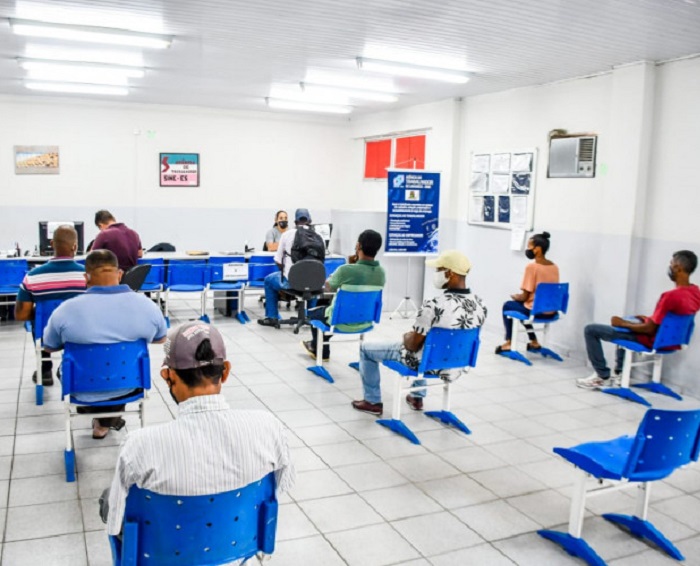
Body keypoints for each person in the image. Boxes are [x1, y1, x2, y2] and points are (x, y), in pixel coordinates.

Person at [101, 321, 294, 536]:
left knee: (108, 499)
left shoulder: (139, 445)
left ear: (168, 376)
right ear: (225, 371)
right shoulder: (270, 428)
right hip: (239, 544)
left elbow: (115, 520)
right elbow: (279, 489)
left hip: (165, 549)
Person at [43, 249, 167, 439]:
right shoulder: (147, 306)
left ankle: (100, 418)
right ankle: (106, 420)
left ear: (86, 277)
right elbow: (161, 338)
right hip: (129, 385)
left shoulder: (66, 309)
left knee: (66, 369)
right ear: (120, 274)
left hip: (80, 387)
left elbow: (49, 346)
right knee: (120, 369)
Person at [352, 250, 487, 415]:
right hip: (455, 364)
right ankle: (417, 397)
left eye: (439, 269)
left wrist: (406, 337)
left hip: (427, 363)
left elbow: (412, 345)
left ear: (450, 273)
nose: (436, 273)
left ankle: (372, 401)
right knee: (429, 347)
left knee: (366, 349)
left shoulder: (434, 305)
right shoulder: (480, 305)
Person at [577, 250, 700, 389]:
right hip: (673, 341)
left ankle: (602, 376)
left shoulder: (669, 296)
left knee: (591, 330)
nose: (669, 267)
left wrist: (623, 323)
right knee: (631, 322)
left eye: (671, 264)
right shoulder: (696, 292)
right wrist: (647, 319)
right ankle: (619, 373)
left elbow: (649, 329)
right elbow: (669, 319)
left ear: (678, 267)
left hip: (651, 340)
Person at [14, 225, 86, 386]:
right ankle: (78, 365)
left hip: (47, 334)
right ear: (75, 246)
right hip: (80, 333)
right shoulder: (88, 275)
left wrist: (41, 313)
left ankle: (45, 368)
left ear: (52, 244)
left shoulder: (32, 277)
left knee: (37, 318)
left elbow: (21, 314)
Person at [302, 229, 386, 361]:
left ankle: (319, 350)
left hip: (339, 321)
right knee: (326, 307)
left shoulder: (345, 270)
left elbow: (328, 287)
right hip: (366, 321)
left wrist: (334, 276)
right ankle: (320, 344)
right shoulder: (381, 273)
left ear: (358, 246)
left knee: (313, 312)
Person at [495, 231, 559, 354]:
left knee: (508, 305)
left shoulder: (532, 267)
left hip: (536, 311)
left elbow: (524, 297)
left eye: (530, 246)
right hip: (551, 311)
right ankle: (534, 341)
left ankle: (509, 342)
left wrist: (516, 297)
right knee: (522, 307)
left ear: (538, 249)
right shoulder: (554, 267)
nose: (528, 249)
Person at [258, 207, 314, 326]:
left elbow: (278, 261)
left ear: (294, 221)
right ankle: (311, 316)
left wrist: (284, 272)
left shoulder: (287, 235)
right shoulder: (318, 236)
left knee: (268, 280)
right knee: (314, 283)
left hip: (291, 282)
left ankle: (272, 317)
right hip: (313, 282)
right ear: (310, 220)